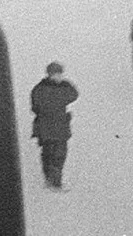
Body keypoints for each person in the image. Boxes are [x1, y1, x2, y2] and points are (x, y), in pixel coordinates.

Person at [30, 61, 79, 190]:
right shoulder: (42, 89)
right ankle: (53, 182)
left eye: (60, 74)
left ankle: (53, 181)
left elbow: (74, 95)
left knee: (58, 154)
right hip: (48, 126)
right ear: (49, 74)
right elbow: (36, 106)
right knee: (51, 154)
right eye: (55, 74)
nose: (58, 77)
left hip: (57, 127)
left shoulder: (41, 88)